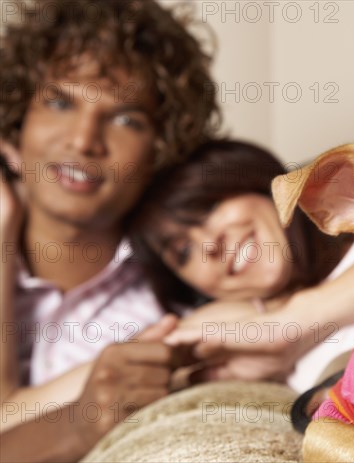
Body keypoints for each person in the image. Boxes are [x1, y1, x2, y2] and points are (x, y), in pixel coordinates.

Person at [0, 0, 219, 460]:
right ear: (14, 132)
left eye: (125, 119)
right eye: (59, 102)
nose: (83, 140)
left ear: (160, 154)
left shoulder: (180, 296)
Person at [128, 139, 354, 391]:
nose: (210, 244)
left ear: (258, 183)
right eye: (184, 252)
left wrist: (292, 324)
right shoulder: (242, 328)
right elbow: (116, 371)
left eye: (209, 206)